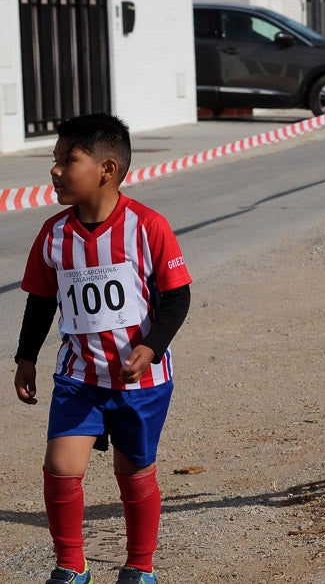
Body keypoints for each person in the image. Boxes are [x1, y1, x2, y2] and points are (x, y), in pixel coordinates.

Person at [13, 113, 192, 584]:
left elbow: (177, 296)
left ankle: (140, 565)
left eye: (67, 160)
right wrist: (25, 357)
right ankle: (71, 566)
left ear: (107, 169)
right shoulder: (54, 234)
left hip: (140, 378)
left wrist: (152, 347)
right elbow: (41, 300)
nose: (55, 171)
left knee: (134, 471)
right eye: (54, 161)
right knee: (60, 466)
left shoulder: (147, 227)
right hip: (79, 376)